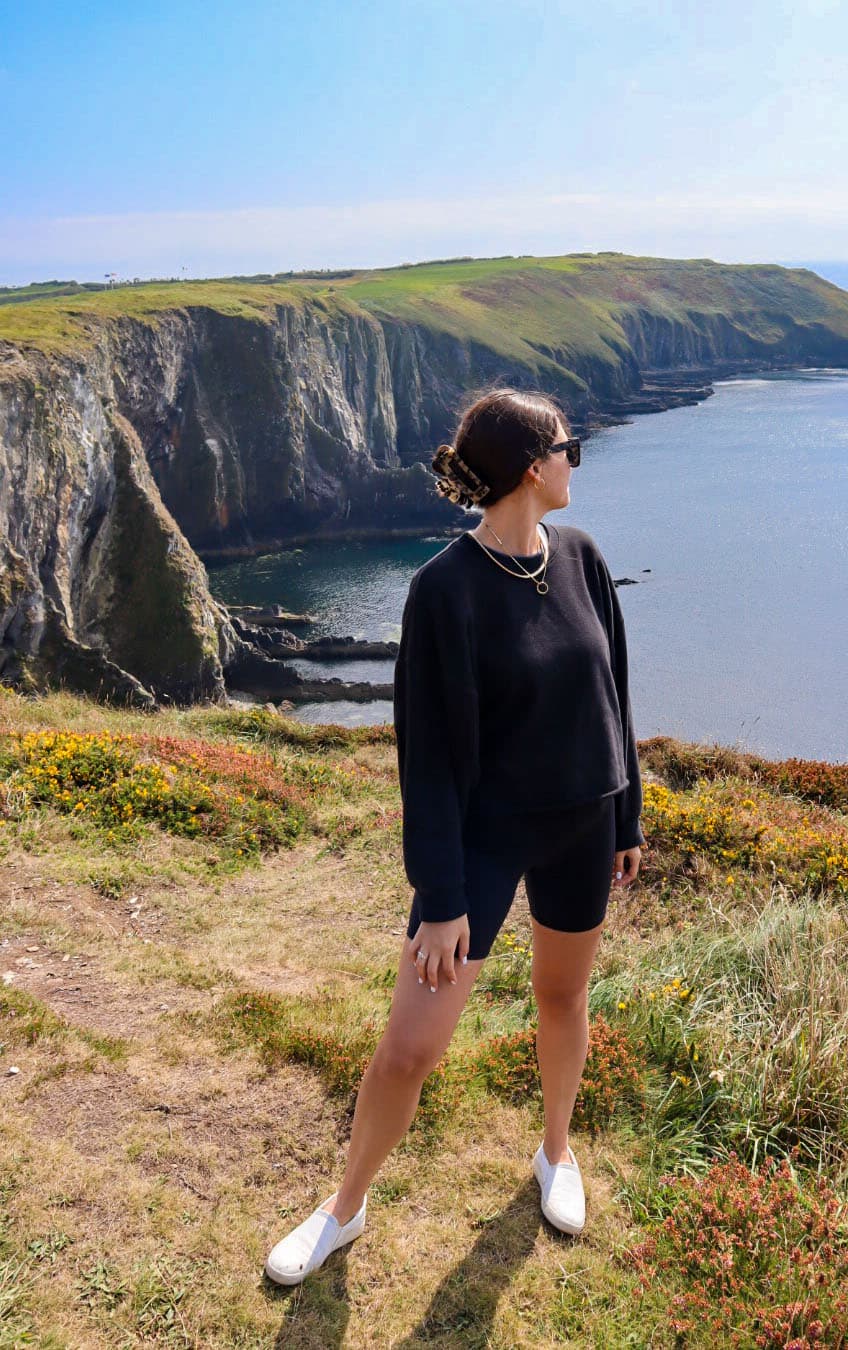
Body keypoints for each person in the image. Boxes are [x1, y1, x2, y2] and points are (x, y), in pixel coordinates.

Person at [264, 386, 645, 1285]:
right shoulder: (443, 590)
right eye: (569, 447)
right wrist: (440, 900)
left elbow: (616, 693)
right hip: (482, 846)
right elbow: (427, 758)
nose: (575, 461)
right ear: (531, 467)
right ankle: (343, 1208)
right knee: (411, 1048)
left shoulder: (583, 557)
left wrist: (626, 815)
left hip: (585, 827)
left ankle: (556, 1152)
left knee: (563, 997)